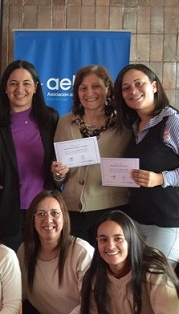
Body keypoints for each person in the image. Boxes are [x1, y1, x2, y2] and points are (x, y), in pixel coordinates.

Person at [114, 64, 179, 264]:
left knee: (155, 281)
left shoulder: (174, 122)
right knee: (141, 284)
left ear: (154, 86)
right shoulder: (134, 127)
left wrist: (162, 178)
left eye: (139, 84)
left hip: (168, 222)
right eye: (126, 88)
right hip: (138, 220)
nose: (133, 91)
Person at [0, 60, 58, 252]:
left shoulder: (51, 119)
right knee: (11, 272)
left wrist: (60, 174)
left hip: (45, 212)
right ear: (5, 87)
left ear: (36, 88)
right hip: (5, 212)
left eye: (26, 83)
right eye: (13, 83)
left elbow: (59, 167)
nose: (20, 89)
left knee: (44, 269)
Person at [50, 65, 132, 241]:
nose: (89, 92)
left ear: (108, 89)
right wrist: (58, 173)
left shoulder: (124, 124)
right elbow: (59, 175)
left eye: (96, 86)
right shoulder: (65, 123)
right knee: (76, 265)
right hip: (72, 211)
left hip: (111, 210)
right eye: (83, 88)